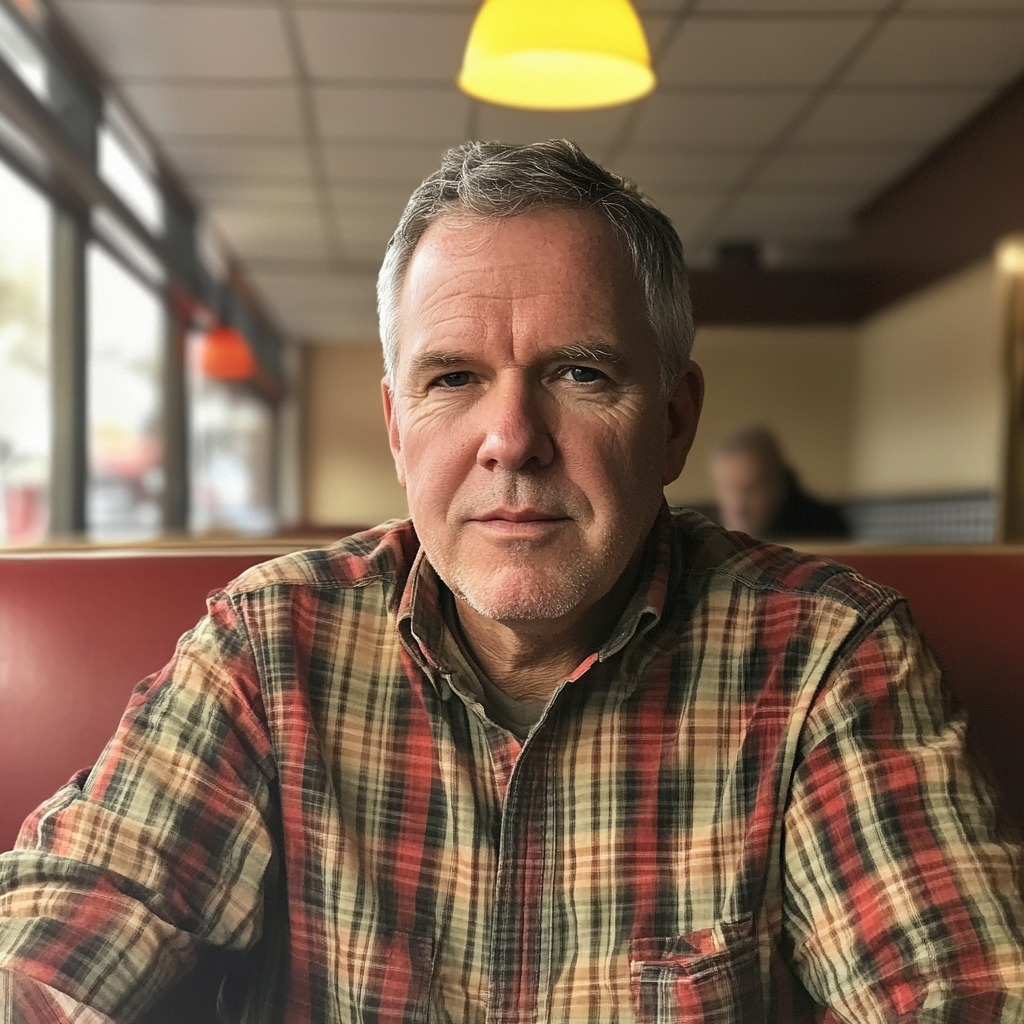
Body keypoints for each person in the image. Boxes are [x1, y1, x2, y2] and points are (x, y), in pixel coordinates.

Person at [1, 140, 1022, 1024]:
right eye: (452, 379)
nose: (512, 442)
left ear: (672, 422)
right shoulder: (269, 646)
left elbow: (956, 990)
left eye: (581, 373)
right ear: (399, 429)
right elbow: (63, 935)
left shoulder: (824, 661)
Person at [711, 425, 850, 541]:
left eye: (751, 490)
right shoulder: (705, 534)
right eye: (728, 490)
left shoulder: (824, 527)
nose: (738, 507)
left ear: (780, 482)